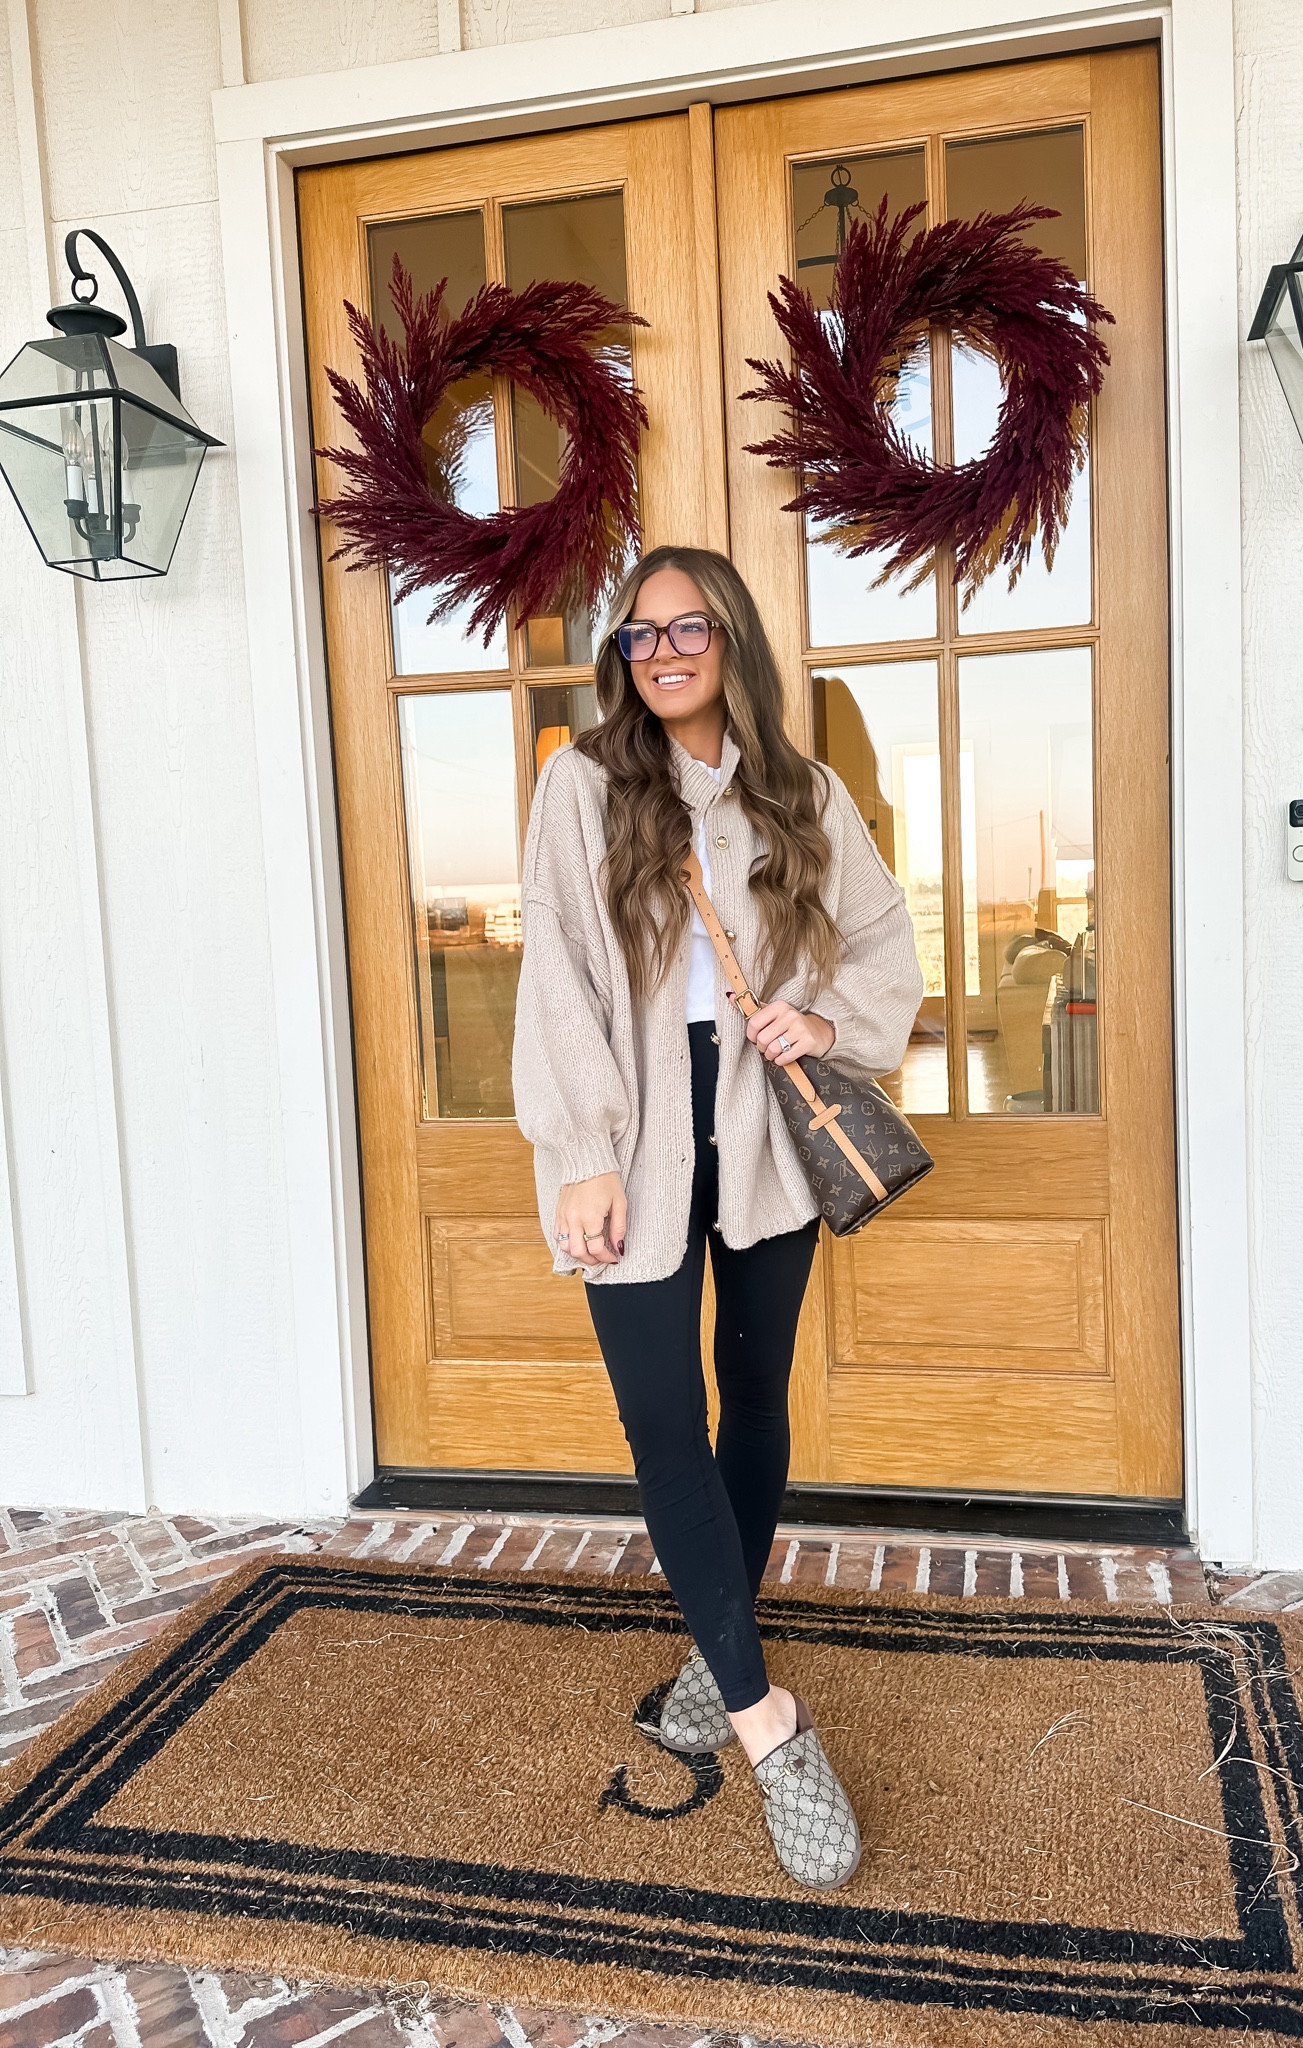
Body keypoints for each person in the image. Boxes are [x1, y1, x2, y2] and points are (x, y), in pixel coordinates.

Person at [512, 544, 922, 1890]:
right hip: (630, 1118)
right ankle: (767, 1721)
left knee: (753, 1390)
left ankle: (712, 1648)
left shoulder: (798, 794)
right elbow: (560, 969)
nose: (667, 649)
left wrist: (828, 1013)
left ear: (731, 639)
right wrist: (582, 1149)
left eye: (690, 627)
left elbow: (882, 939)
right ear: (621, 660)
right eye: (640, 634)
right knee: (659, 1420)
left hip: (760, 1120)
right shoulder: (581, 786)